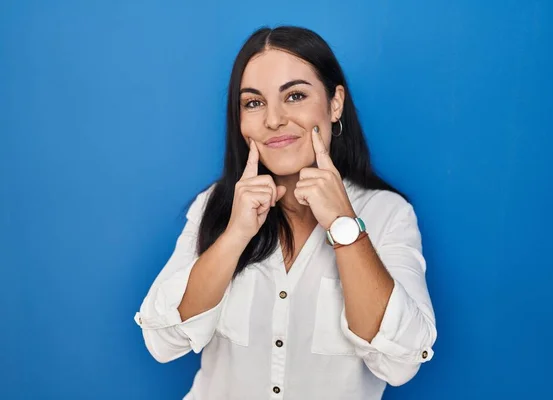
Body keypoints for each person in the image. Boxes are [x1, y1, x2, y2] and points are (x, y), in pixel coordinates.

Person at [134, 25, 437, 400]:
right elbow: (163, 341)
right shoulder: (215, 205)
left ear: (335, 102)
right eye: (254, 103)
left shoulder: (387, 213)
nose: (273, 120)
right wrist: (236, 235)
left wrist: (344, 226)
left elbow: (402, 361)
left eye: (294, 96)